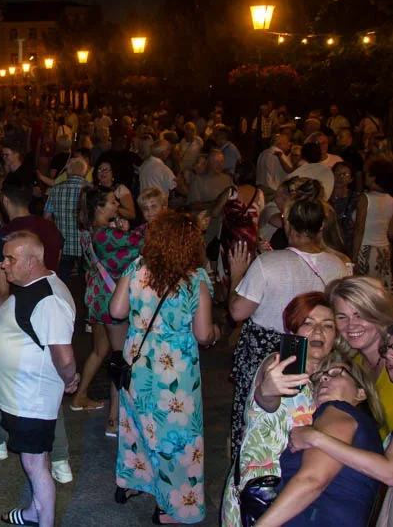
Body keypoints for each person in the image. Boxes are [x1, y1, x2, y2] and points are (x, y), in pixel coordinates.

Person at [108, 211, 218, 524]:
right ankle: (173, 507)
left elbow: (115, 310)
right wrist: (217, 334)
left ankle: (132, 481)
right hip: (175, 371)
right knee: (177, 438)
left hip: (137, 362)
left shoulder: (136, 267)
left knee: (137, 426)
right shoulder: (195, 279)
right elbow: (203, 333)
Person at [228, 191, 352, 451]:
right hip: (318, 351)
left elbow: (237, 312)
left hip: (266, 353)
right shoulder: (338, 265)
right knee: (304, 417)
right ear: (320, 226)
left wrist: (237, 276)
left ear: (287, 224)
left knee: (257, 419)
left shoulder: (268, 263)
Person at [220, 291, 337, 527]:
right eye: (308, 323)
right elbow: (266, 398)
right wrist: (268, 390)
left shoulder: (332, 376)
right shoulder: (277, 364)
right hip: (258, 494)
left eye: (328, 325)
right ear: (292, 331)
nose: (318, 332)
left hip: (295, 495)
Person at [0, 231, 79, 527]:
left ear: (32, 262)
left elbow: (64, 357)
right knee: (35, 461)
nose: (3, 264)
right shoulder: (35, 287)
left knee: (35, 463)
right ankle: (34, 511)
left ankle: (44, 521)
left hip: (31, 400)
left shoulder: (49, 300)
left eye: (10, 258)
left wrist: (70, 379)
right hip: (21, 397)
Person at [254, 355, 384, 527]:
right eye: (320, 377)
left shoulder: (338, 409)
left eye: (337, 373)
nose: (324, 378)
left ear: (360, 392)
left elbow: (312, 480)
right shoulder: (366, 430)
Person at [73, 186, 143, 434]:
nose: (118, 206)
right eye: (113, 202)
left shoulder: (90, 230)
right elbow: (138, 243)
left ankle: (80, 396)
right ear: (99, 208)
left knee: (100, 350)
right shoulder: (105, 235)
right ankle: (114, 420)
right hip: (110, 298)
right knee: (120, 358)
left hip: (97, 295)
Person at [328, 275, 393, 435]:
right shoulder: (351, 363)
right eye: (342, 317)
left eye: (359, 315)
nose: (351, 325)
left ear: (378, 313)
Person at [0, 173, 64, 304]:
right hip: (51, 300)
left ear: (5, 200)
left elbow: (1, 291)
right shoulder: (52, 229)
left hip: (19, 309)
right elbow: (56, 264)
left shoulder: (3, 236)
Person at [212, 161, 265, 288]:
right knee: (246, 277)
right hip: (250, 241)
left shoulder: (231, 192)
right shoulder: (260, 194)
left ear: (238, 175)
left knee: (227, 275)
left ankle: (229, 303)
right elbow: (259, 219)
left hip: (230, 240)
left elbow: (214, 212)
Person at [43, 156, 89, 283]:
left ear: (68, 171)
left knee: (61, 280)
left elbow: (46, 216)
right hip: (84, 244)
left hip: (62, 244)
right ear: (85, 172)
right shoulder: (90, 189)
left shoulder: (56, 188)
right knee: (85, 281)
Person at [352, 159, 393, 290]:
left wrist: (353, 257)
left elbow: (359, 229)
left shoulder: (365, 199)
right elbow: (390, 232)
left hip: (366, 250)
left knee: (365, 290)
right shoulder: (391, 200)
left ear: (373, 177)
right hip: (384, 250)